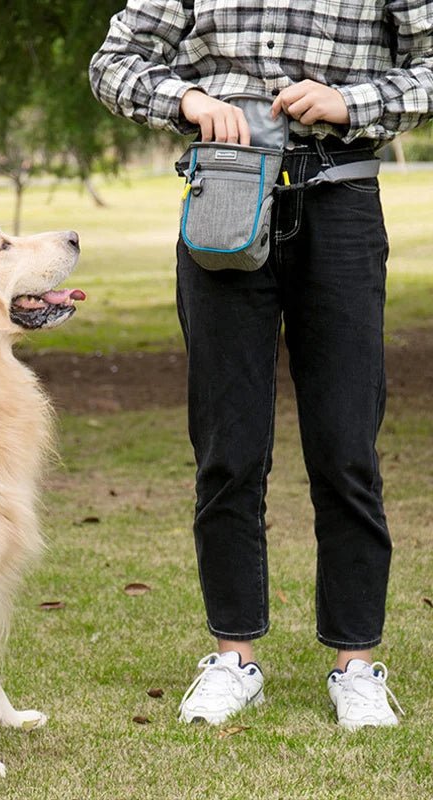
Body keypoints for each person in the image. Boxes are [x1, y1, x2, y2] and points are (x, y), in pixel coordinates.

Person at [89, 1, 432, 729]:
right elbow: (112, 64)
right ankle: (234, 658)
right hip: (226, 199)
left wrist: (351, 101)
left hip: (340, 206)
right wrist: (187, 99)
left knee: (345, 448)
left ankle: (357, 666)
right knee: (227, 448)